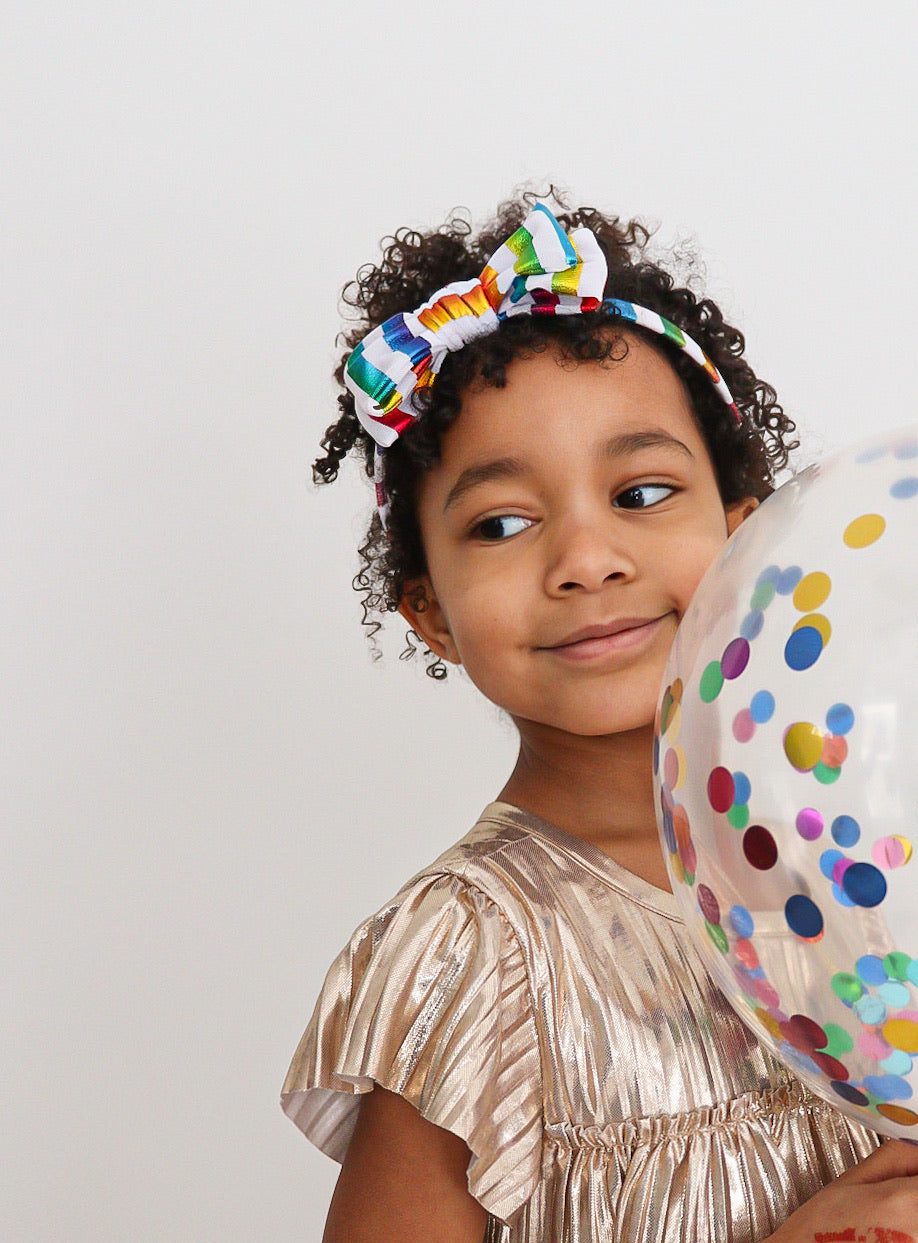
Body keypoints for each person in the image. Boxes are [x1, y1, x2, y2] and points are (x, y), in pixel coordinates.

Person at [281, 194, 918, 1241]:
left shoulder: (856, 863)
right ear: (429, 610)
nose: (586, 560)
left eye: (641, 494)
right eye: (502, 522)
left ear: (751, 537)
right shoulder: (471, 951)